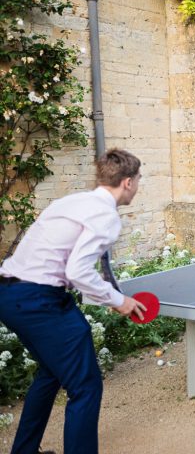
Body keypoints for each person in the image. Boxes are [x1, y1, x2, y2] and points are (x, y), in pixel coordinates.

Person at [0, 148, 147, 454]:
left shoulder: (71, 201)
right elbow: (77, 270)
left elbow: (60, 259)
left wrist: (105, 296)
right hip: (40, 301)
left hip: (9, 295)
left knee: (51, 373)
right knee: (86, 386)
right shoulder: (107, 216)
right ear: (129, 182)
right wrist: (117, 300)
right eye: (139, 179)